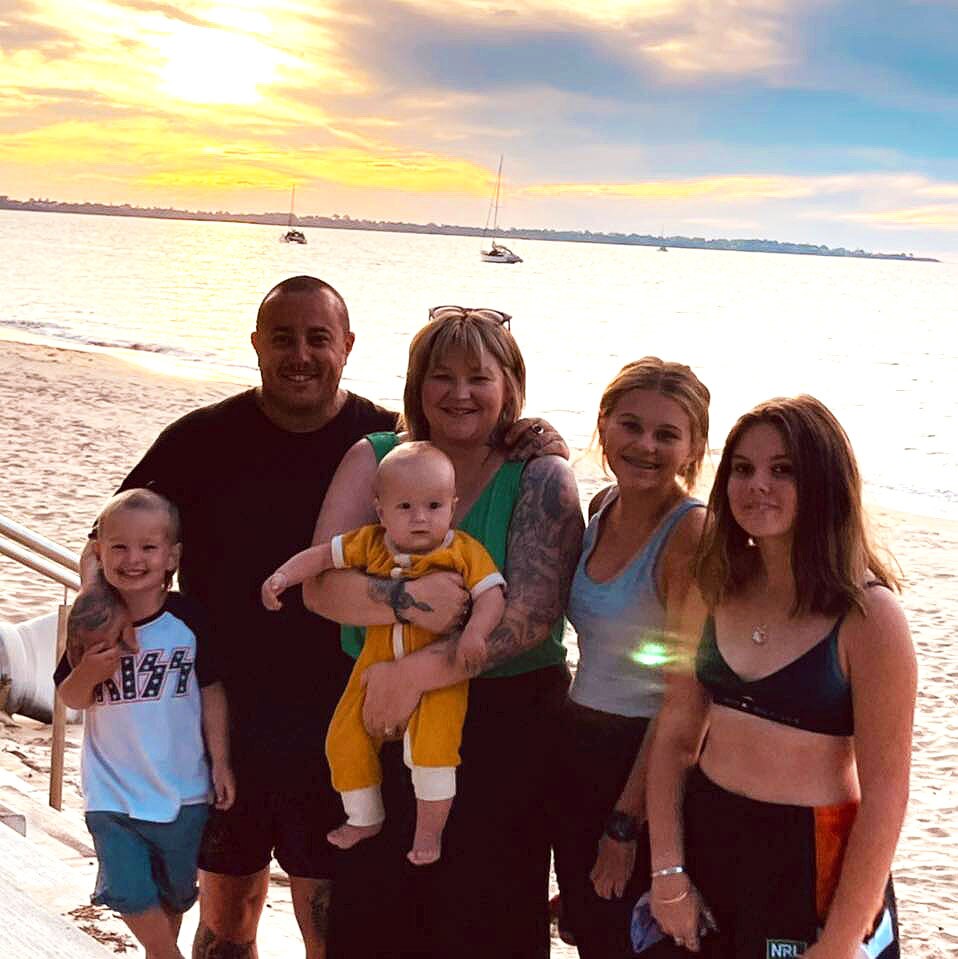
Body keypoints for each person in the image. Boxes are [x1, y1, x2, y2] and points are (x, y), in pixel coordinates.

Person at [65, 278, 564, 959]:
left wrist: (530, 432)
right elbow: (107, 539)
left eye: (318, 337)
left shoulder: (398, 448)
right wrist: (100, 621)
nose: (301, 353)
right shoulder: (201, 437)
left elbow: (473, 443)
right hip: (224, 715)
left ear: (347, 346)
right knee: (229, 910)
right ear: (257, 346)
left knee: (328, 919)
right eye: (283, 338)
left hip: (343, 713)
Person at [302, 305, 584, 959]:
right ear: (416, 384)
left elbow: (533, 615)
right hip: (381, 711)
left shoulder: (541, 474)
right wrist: (406, 600)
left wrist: (418, 672)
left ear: (509, 386)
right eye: (442, 375)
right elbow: (322, 585)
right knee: (375, 915)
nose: (460, 393)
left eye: (479, 377)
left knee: (485, 921)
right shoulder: (374, 457)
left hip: (504, 726)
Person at [645, 395, 915, 958]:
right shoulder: (711, 586)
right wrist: (667, 870)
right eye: (742, 468)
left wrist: (842, 938)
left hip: (813, 859)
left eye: (783, 469)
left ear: (824, 482)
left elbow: (887, 794)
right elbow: (675, 733)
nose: (756, 484)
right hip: (709, 837)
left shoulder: (869, 617)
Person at [261, 441, 506, 865]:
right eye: (405, 507)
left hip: (439, 673)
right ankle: (363, 816)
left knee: (434, 750)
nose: (420, 517)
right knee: (343, 737)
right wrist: (282, 576)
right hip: (372, 665)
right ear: (380, 510)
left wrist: (474, 635)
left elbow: (492, 595)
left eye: (433, 505)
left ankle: (429, 833)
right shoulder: (370, 544)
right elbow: (322, 557)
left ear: (452, 505)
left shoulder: (462, 551)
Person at [552, 358, 710, 959]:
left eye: (667, 434)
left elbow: (683, 699)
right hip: (577, 748)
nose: (645, 445)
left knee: (638, 943)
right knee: (591, 934)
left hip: (642, 763)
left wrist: (625, 825)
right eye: (631, 425)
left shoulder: (690, 534)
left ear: (693, 447)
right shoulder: (600, 506)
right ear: (604, 427)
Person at [55, 489, 234, 959]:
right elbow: (69, 697)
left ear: (172, 555)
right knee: (130, 892)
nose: (133, 559)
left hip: (184, 790)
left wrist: (222, 763)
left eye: (148, 548)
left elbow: (213, 691)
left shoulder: (189, 620)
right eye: (119, 547)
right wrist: (90, 671)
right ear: (100, 554)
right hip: (111, 792)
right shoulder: (91, 625)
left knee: (173, 895)